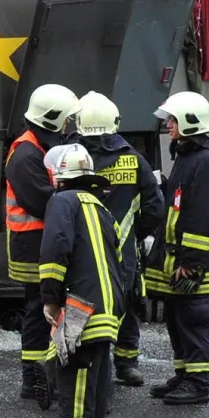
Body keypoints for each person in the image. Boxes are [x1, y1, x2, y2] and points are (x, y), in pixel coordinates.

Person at [32, 143, 123, 418]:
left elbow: (55, 249)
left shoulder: (62, 202)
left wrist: (50, 298)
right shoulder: (102, 208)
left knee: (75, 387)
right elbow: (123, 262)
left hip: (81, 310)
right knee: (96, 390)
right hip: (108, 310)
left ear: (59, 176)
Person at [75, 91, 164, 389]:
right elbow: (154, 206)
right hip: (124, 251)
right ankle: (126, 365)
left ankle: (85, 364)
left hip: (82, 252)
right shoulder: (134, 160)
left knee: (84, 307)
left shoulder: (74, 158)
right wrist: (137, 235)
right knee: (125, 304)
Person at [146, 91, 209, 407]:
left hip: (194, 261)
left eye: (174, 120)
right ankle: (184, 375)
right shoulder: (187, 156)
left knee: (193, 319)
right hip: (178, 257)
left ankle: (198, 383)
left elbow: (203, 215)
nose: (168, 125)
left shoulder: (203, 162)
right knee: (177, 319)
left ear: (191, 123)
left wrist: (190, 262)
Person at [6, 83, 79, 410]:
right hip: (31, 247)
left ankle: (44, 376)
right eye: (65, 120)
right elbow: (43, 201)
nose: (69, 127)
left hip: (40, 244)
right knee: (38, 311)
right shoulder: (25, 155)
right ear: (51, 120)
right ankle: (33, 380)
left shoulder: (38, 148)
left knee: (45, 309)